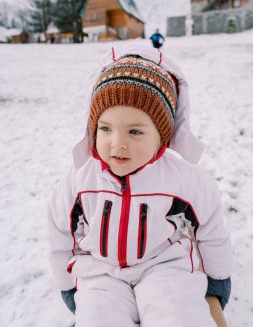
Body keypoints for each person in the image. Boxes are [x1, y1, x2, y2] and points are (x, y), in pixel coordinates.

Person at [48, 44, 232, 327]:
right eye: (105, 129)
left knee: (178, 316)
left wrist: (217, 281)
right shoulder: (79, 179)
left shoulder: (184, 179)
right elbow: (61, 232)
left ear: (162, 135)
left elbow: (211, 230)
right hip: (101, 273)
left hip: (165, 267)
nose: (117, 143)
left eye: (135, 131)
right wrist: (66, 284)